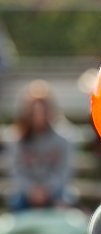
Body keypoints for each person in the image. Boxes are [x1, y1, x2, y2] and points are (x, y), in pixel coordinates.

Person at [8, 82, 78, 212]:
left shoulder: (63, 139)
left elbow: (64, 171)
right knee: (16, 201)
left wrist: (47, 189)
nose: (38, 116)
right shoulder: (17, 139)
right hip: (26, 193)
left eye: (42, 111)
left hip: (55, 191)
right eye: (35, 112)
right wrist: (31, 190)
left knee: (66, 200)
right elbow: (17, 171)